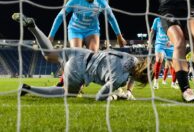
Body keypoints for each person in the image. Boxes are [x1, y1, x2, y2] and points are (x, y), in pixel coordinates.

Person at [12, 13, 150, 101]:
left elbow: (134, 70)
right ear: (138, 77)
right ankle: (28, 89)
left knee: (49, 54)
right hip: (79, 69)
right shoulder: (119, 78)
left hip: (81, 53)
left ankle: (33, 27)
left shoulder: (131, 57)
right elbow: (99, 96)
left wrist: (126, 88)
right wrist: (115, 94)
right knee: (68, 93)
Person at [48, 0, 127, 86]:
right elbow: (60, 16)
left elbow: (111, 18)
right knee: (76, 56)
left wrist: (119, 36)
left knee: (93, 56)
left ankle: (84, 81)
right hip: (75, 30)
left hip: (92, 31)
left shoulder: (101, 2)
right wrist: (51, 35)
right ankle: (64, 81)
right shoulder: (76, 0)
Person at [148, 17, 178, 90]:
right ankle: (156, 82)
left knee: (174, 65)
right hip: (159, 44)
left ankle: (173, 83)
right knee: (159, 60)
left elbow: (176, 33)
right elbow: (152, 31)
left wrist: (171, 41)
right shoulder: (157, 20)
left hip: (170, 45)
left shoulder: (173, 19)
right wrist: (149, 41)